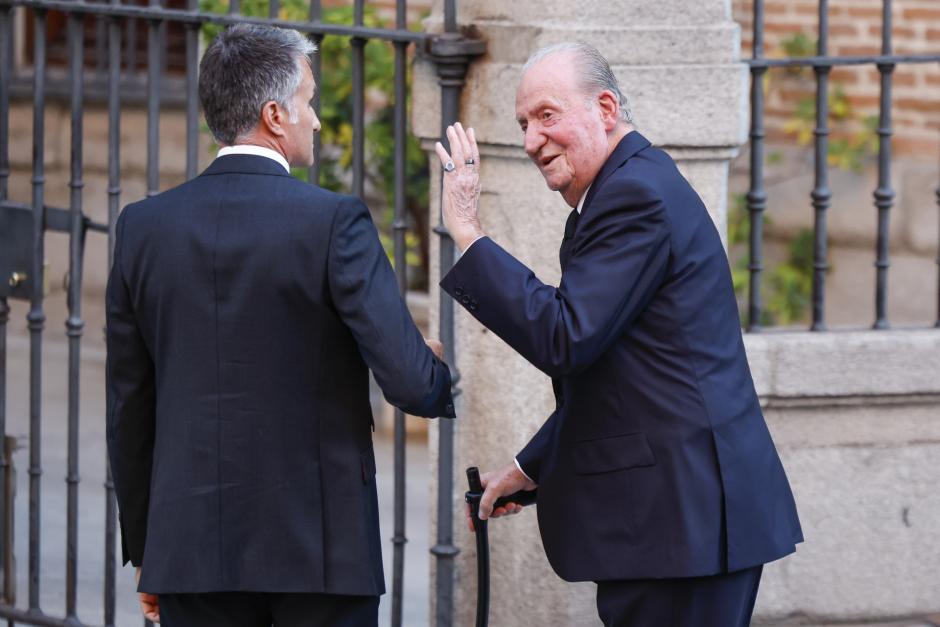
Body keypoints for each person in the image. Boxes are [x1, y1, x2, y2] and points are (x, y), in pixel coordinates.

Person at [434, 42, 802, 626]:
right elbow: (619, 372)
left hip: (687, 526)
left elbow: (566, 335)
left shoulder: (635, 195)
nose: (531, 140)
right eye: (524, 124)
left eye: (547, 116)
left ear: (605, 108)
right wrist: (531, 467)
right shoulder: (622, 189)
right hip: (679, 526)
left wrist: (468, 232)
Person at [106, 24, 454, 627]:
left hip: (189, 555)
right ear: (274, 113)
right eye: (309, 102)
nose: (315, 119)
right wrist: (430, 364)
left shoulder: (143, 229)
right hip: (320, 555)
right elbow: (411, 383)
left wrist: (148, 552)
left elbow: (130, 408)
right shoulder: (334, 221)